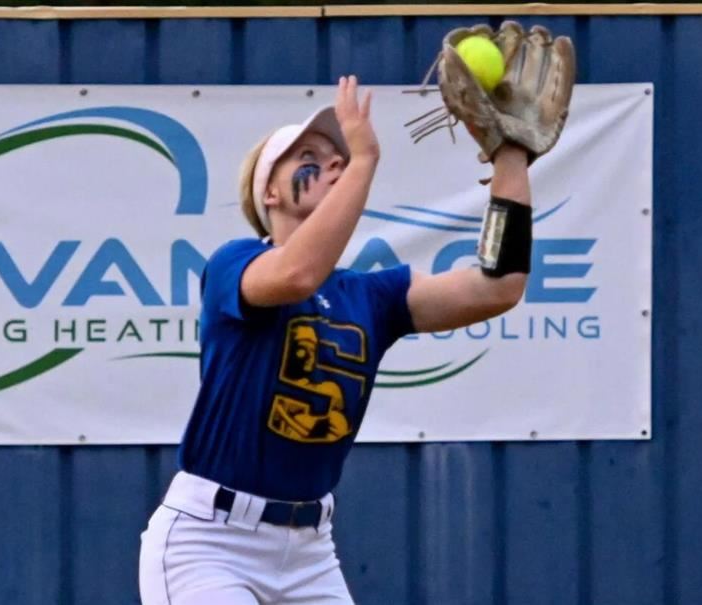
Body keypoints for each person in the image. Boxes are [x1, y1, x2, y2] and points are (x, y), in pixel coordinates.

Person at [138, 69, 544, 604]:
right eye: (308, 154)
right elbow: (296, 275)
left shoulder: (370, 298)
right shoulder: (235, 263)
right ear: (270, 193)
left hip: (308, 551)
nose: (335, 160)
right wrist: (365, 161)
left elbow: (498, 286)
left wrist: (510, 157)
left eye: (339, 155)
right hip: (210, 541)